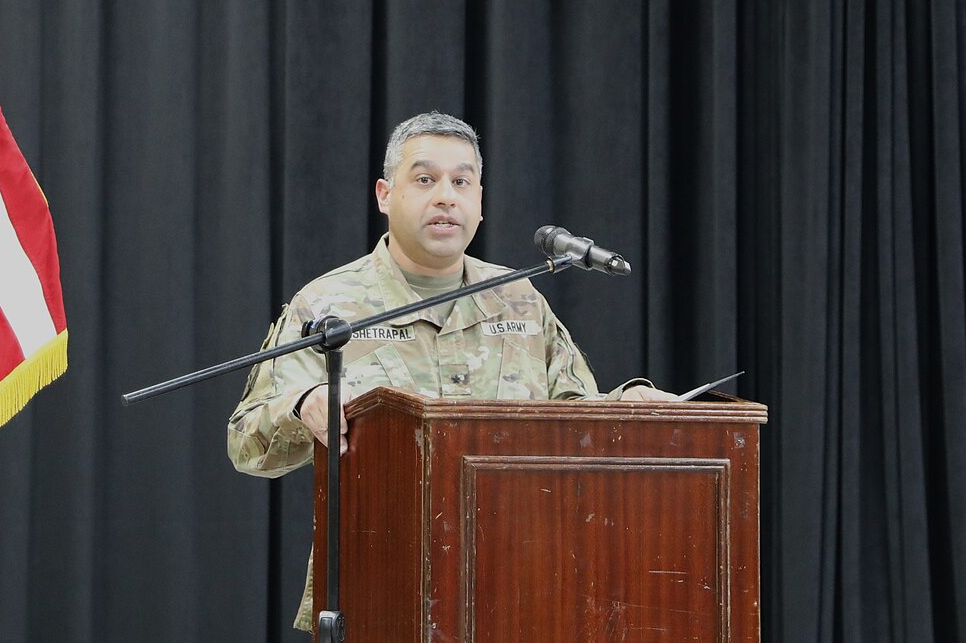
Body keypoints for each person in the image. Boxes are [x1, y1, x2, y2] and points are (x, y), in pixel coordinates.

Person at [227, 111, 674, 632]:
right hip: (382, 590)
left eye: (461, 181)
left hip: (524, 582)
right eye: (424, 179)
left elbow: (572, 420)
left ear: (479, 201)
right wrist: (302, 407)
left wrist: (635, 407)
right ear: (384, 195)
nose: (446, 196)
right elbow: (247, 444)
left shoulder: (518, 299)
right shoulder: (328, 305)